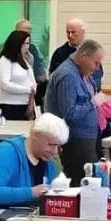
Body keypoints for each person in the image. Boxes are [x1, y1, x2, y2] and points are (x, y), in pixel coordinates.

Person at [44, 39, 105, 181]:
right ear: (84, 57)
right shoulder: (68, 76)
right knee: (82, 182)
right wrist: (93, 103)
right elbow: (69, 112)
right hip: (76, 139)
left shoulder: (82, 74)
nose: (97, 68)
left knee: (92, 181)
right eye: (96, 63)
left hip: (87, 137)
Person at [0, 113, 67, 208]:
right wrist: (31, 193)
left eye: (58, 146)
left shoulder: (48, 162)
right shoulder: (6, 152)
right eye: (50, 144)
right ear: (35, 135)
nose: (54, 151)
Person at [50, 18, 104, 90]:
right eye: (68, 32)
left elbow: (97, 76)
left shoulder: (92, 52)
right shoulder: (59, 53)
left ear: (82, 32)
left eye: (73, 32)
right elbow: (53, 77)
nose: (70, 35)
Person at [0, 30, 36, 121]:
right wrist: (28, 90)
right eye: (25, 43)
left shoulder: (24, 60)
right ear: (17, 43)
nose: (27, 46)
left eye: (28, 43)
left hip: (25, 104)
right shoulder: (5, 60)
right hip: (10, 105)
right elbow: (5, 84)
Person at [14, 19, 48, 107]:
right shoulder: (11, 51)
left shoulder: (33, 49)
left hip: (35, 89)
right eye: (26, 29)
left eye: (30, 29)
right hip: (18, 94)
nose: (28, 32)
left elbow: (40, 69)